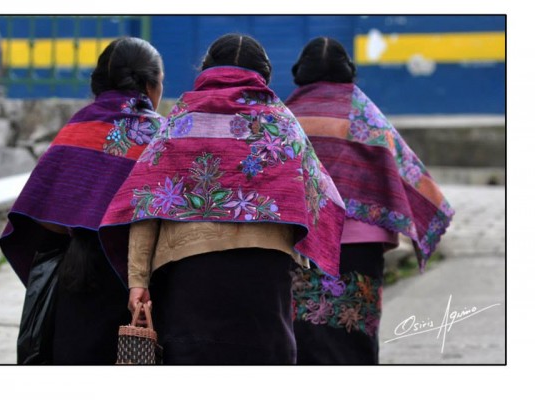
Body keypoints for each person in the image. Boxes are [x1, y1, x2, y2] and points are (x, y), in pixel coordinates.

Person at [98, 33, 346, 365]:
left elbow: (145, 204)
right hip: (264, 280)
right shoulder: (283, 123)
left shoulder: (179, 122)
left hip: (191, 276)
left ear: (207, 69)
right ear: (264, 74)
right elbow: (325, 198)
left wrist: (138, 282)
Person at [284, 37, 454, 364]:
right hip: (359, 248)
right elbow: (406, 172)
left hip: (300, 244)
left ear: (299, 73)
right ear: (349, 72)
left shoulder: (286, 117)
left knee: (303, 335)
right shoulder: (365, 115)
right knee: (354, 334)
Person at [0, 37, 166, 365]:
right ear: (149, 85)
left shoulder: (77, 127)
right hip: (137, 287)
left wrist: (82, 223)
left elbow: (40, 213)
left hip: (77, 276)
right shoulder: (161, 135)